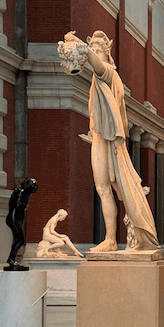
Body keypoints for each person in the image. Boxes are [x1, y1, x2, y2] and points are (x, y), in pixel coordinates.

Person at [57, 30, 158, 253]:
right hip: (99, 138)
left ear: (106, 53)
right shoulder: (96, 79)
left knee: (118, 187)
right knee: (102, 189)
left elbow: (97, 65)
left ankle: (134, 233)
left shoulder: (109, 73)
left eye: (98, 49)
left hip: (111, 142)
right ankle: (110, 239)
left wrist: (81, 47)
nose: (93, 52)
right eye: (91, 48)